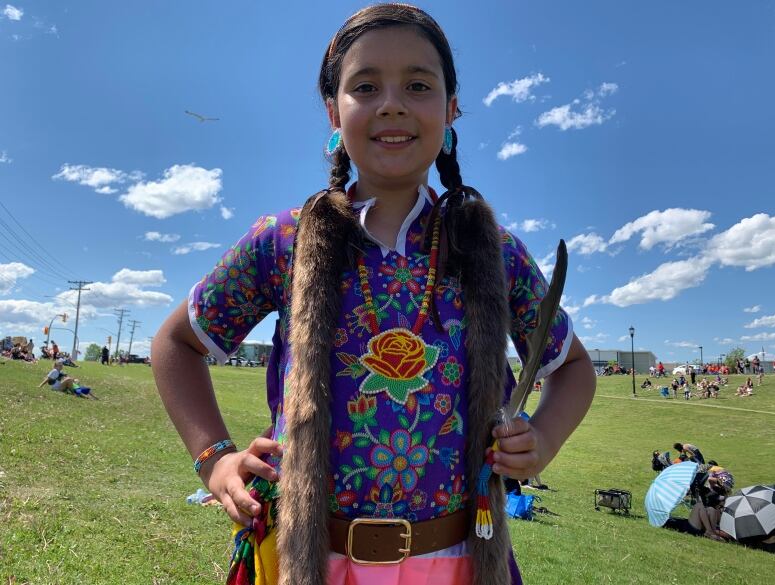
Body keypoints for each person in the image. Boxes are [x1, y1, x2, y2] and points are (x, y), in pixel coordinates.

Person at [151, 6, 596, 585]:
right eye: (366, 86)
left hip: (460, 561)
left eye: (418, 85)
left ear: (451, 108)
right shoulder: (283, 239)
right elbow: (175, 342)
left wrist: (543, 437)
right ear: (335, 112)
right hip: (309, 559)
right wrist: (214, 459)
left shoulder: (492, 251)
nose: (392, 104)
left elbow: (575, 366)